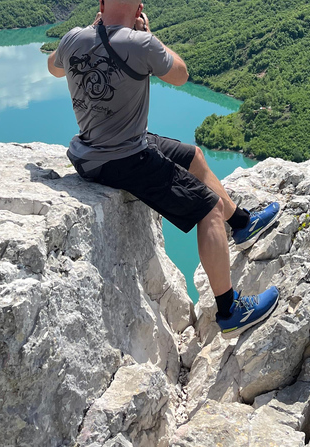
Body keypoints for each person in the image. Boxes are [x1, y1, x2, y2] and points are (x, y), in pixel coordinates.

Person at [47, 0, 280, 338]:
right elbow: (181, 75)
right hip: (123, 159)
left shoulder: (72, 39)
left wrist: (90, 34)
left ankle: (242, 224)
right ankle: (230, 310)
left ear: (99, 4)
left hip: (94, 151)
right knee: (209, 209)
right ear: (139, 7)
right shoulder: (140, 43)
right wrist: (149, 35)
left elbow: (54, 67)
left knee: (194, 156)